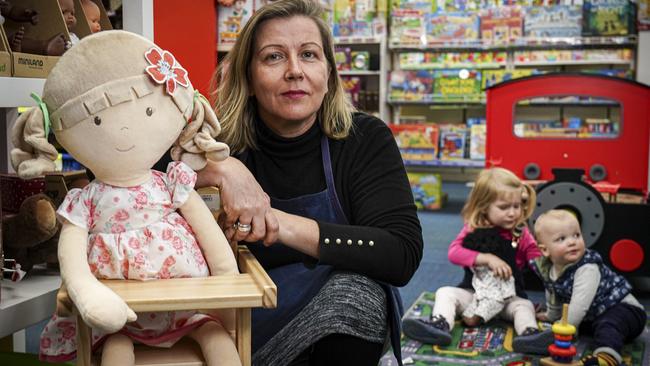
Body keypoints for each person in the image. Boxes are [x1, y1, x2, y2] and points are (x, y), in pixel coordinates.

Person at [198, 0, 423, 364]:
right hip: (243, 323)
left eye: (309, 55)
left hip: (340, 326)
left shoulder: (363, 138)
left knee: (358, 292)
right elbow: (138, 173)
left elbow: (400, 252)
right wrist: (224, 170)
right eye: (273, 57)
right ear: (250, 79)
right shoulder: (218, 145)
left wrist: (277, 222)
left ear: (329, 74)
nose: (294, 71)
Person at [11, 30, 240, 365]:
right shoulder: (84, 200)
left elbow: (211, 239)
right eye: (99, 120)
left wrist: (226, 280)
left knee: (216, 336)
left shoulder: (171, 183)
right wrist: (86, 293)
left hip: (186, 305)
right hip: (119, 312)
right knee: (116, 348)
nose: (123, 133)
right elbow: (72, 259)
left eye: (149, 112)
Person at [402, 167, 553, 354]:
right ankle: (440, 325)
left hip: (508, 299)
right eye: (504, 207)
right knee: (445, 292)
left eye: (517, 206)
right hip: (474, 295)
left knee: (525, 305)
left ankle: (529, 335)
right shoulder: (473, 229)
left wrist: (551, 264)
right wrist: (486, 259)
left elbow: (537, 261)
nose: (513, 213)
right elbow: (454, 253)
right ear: (483, 206)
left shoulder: (521, 233)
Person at [532, 210, 646, 366]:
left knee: (608, 324)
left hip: (626, 310)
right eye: (562, 239)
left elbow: (580, 305)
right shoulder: (550, 269)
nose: (572, 242)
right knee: (590, 326)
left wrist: (562, 328)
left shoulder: (587, 267)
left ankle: (607, 356)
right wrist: (552, 316)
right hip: (594, 315)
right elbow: (553, 295)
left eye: (577, 235)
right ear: (545, 250)